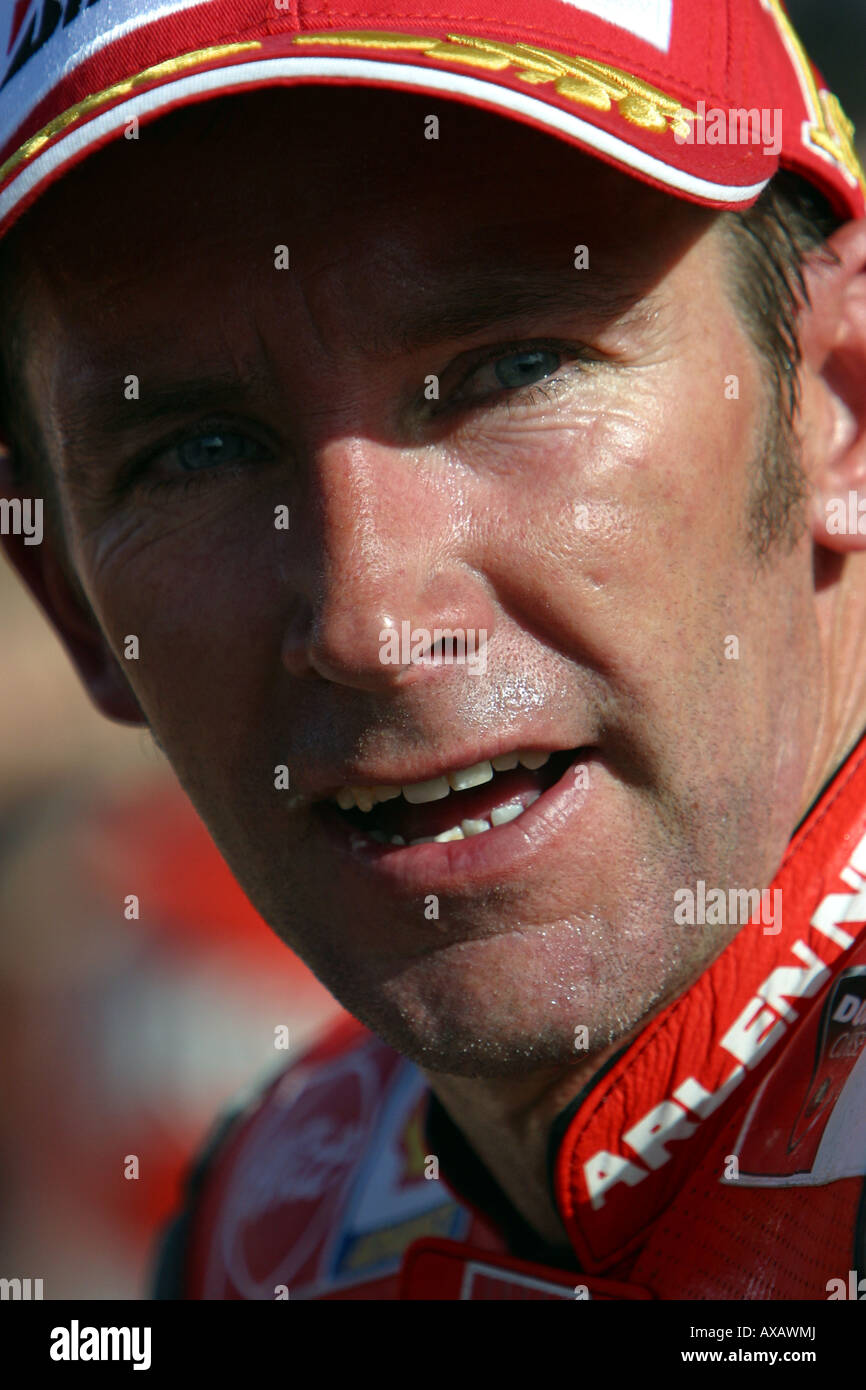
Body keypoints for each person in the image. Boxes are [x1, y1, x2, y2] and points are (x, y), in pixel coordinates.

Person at [1, 0, 865, 1301]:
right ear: (70, 599)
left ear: (840, 406)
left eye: (511, 369)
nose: (366, 620)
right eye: (196, 450)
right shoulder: (267, 1225)